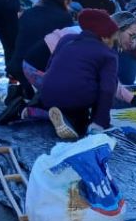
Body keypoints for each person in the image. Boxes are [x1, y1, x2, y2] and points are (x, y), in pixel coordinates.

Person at [35, 9, 120, 140]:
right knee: (103, 84)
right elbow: (107, 89)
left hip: (46, 95)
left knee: (75, 79)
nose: (112, 45)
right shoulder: (108, 55)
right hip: (76, 99)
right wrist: (101, 121)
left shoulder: (66, 39)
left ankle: (38, 110)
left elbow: (49, 67)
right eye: (112, 40)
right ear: (104, 36)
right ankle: (78, 123)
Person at [5, 0, 74, 98]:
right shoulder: (64, 17)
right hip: (38, 69)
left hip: (16, 65)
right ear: (64, 0)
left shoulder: (27, 13)